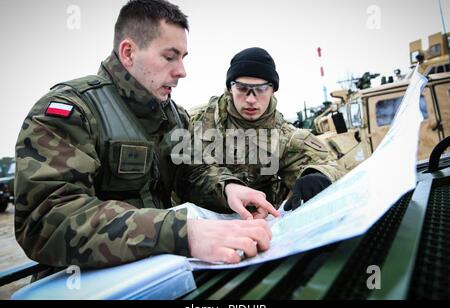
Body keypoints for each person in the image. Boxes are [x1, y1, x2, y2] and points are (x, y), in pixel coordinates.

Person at [14, 0, 279, 269]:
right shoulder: (71, 112)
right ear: (128, 52)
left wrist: (228, 189)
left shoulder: (174, 117)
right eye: (169, 56)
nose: (182, 72)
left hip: (165, 271)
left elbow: (194, 172)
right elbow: (45, 220)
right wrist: (180, 233)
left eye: (183, 58)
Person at [187, 47, 347, 213]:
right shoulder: (194, 121)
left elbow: (333, 167)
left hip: (258, 222)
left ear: (273, 90)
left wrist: (318, 176)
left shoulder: (284, 136)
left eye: (261, 89)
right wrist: (227, 187)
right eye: (242, 88)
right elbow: (187, 172)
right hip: (197, 222)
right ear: (230, 88)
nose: (250, 99)